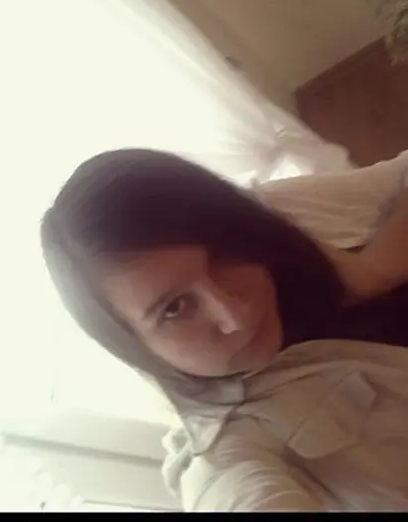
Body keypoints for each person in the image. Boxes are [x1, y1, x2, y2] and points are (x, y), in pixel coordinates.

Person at [41, 147, 408, 511]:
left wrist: (373, 270)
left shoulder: (278, 221)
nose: (234, 316)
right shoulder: (232, 452)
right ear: (136, 346)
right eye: (174, 309)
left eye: (222, 258)